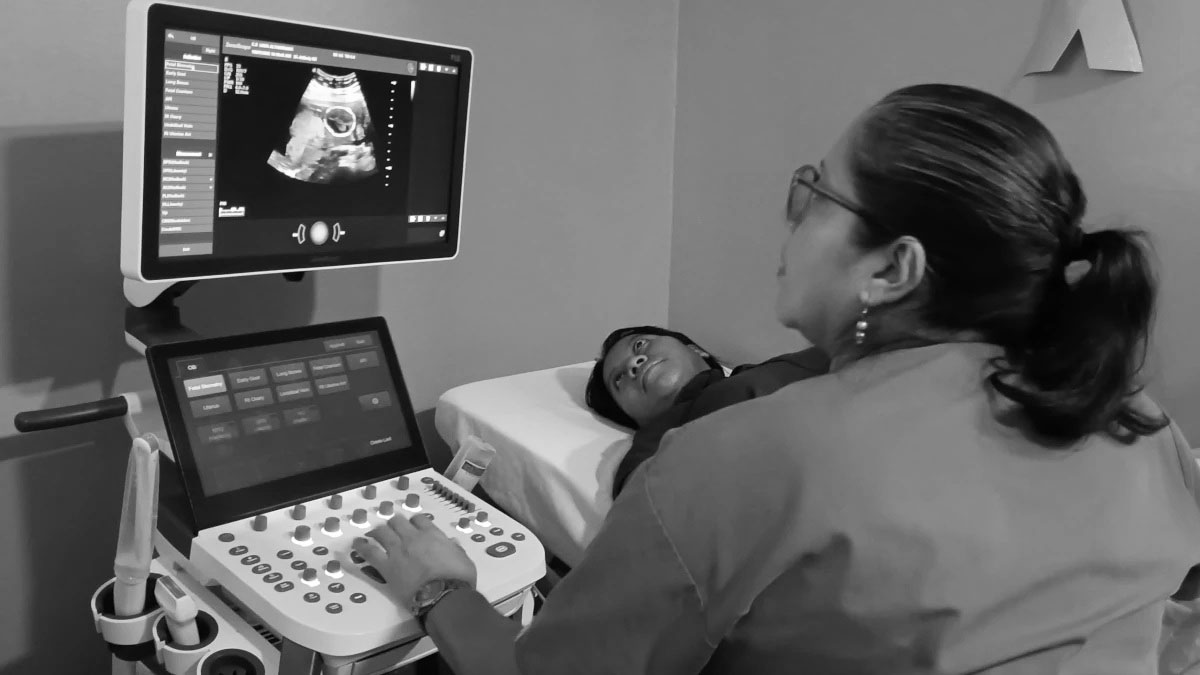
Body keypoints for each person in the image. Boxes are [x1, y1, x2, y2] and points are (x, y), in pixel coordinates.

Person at [352, 83, 1200, 674]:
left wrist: (441, 588)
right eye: (623, 374)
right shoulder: (1135, 418)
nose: (789, 219)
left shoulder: (737, 459)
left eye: (814, 193)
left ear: (891, 269)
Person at [584, 325, 829, 497]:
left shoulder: (783, 367)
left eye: (640, 345)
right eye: (618, 380)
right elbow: (644, 512)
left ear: (695, 349)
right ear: (632, 417)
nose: (632, 363)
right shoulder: (651, 449)